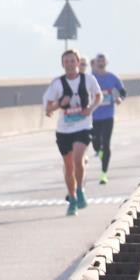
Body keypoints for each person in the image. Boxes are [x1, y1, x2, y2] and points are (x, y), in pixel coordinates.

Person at [42, 49, 103, 216]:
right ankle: (73, 200)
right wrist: (60, 103)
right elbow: (48, 107)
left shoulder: (88, 79)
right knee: (68, 167)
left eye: (72, 61)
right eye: (66, 61)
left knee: (78, 159)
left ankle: (80, 189)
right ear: (62, 64)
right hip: (64, 129)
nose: (69, 64)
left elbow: (98, 96)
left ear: (78, 62)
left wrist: (90, 108)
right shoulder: (57, 83)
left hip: (83, 126)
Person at [90, 53, 126, 184]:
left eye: (103, 61)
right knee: (95, 144)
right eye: (99, 61)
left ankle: (104, 174)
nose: (101, 63)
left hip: (108, 116)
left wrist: (119, 98)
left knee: (106, 144)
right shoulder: (91, 78)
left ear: (106, 62)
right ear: (95, 63)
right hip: (93, 116)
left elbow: (122, 91)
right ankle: (100, 153)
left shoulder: (112, 77)